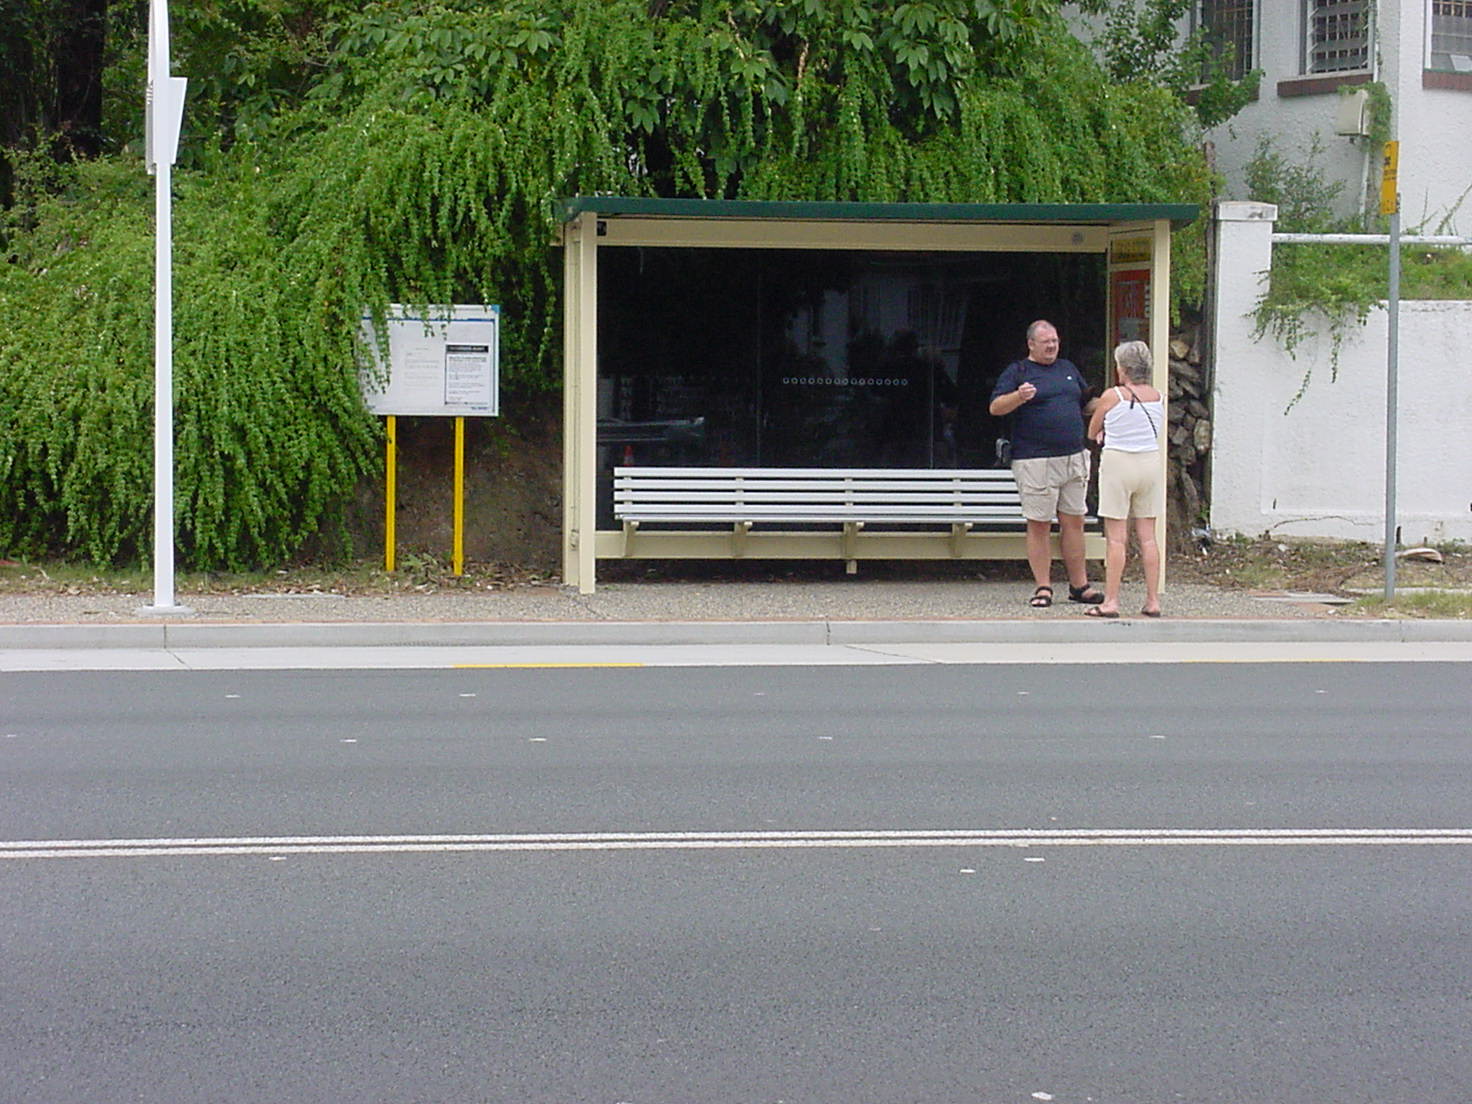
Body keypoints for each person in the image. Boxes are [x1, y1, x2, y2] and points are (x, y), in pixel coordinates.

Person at [988, 320, 1103, 608]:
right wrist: (1019, 396)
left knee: (1074, 521)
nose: (1052, 346)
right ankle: (1043, 587)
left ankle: (1080, 586)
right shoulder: (1018, 371)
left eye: (1055, 341)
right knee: (1039, 524)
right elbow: (995, 407)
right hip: (1035, 459)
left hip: (1073, 458)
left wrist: (1108, 404)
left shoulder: (1067, 368)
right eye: (1046, 342)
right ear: (1031, 344)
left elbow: (1084, 404)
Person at [1085, 340, 1164, 618]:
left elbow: (1092, 430)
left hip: (1119, 463)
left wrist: (1103, 431)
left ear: (1123, 369)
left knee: (1117, 539)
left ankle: (1111, 601)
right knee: (1148, 537)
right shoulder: (1158, 396)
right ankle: (1152, 600)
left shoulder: (1113, 395)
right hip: (1149, 463)